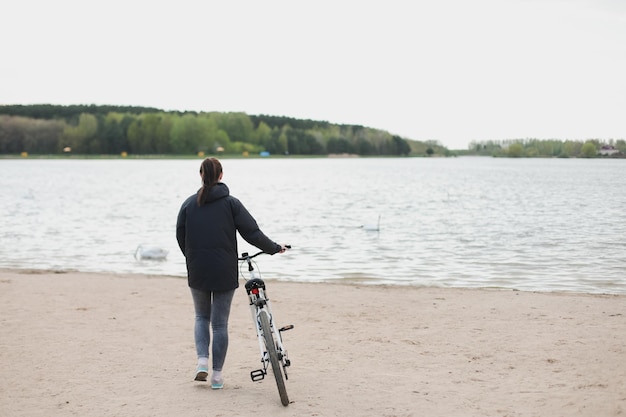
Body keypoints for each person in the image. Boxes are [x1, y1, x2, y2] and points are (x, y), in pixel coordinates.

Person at [176, 157, 287, 389]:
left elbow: (180, 236)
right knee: (219, 325)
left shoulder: (188, 204)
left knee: (201, 317)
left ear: (201, 175)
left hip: (197, 269)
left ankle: (202, 363)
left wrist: (192, 258)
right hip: (224, 270)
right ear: (221, 175)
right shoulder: (231, 203)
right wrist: (274, 248)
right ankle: (217, 376)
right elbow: (252, 233)